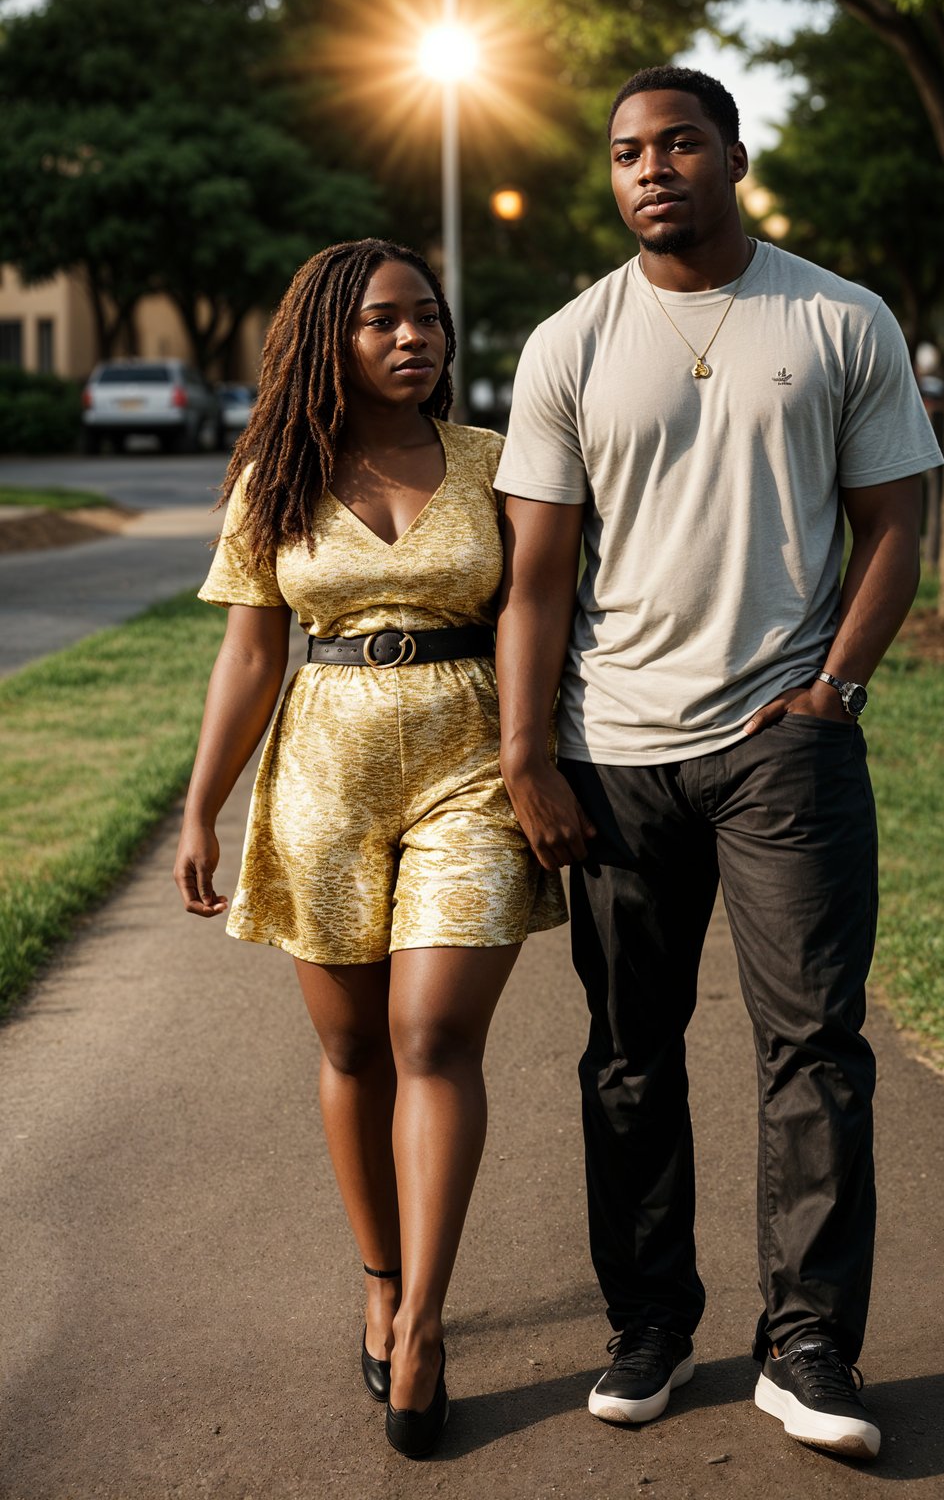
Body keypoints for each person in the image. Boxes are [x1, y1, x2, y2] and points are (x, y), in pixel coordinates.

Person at [493, 66, 942, 1461]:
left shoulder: (838, 316)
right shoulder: (568, 343)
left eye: (678, 142)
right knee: (628, 1055)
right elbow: (534, 583)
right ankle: (650, 1323)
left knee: (813, 1043)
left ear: (733, 156)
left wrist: (835, 690)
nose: (650, 169)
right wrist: (527, 755)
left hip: (782, 751)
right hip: (613, 750)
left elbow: (895, 526)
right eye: (626, 152)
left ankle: (808, 1348)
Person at [173, 238, 566, 1459]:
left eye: (431, 321)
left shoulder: (495, 463)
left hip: (467, 768)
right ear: (327, 340)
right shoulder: (274, 479)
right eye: (386, 321)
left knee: (432, 1037)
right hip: (323, 775)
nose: (416, 339)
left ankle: (429, 1325)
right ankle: (379, 1277)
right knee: (351, 1050)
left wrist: (528, 756)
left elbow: (535, 612)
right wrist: (201, 806)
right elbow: (250, 655)